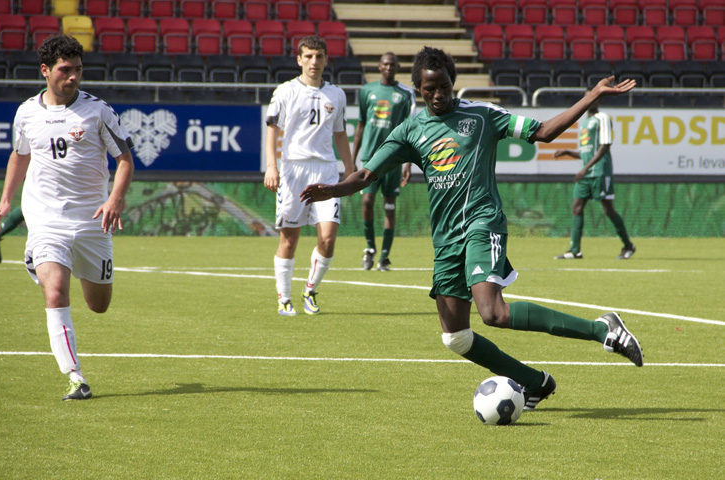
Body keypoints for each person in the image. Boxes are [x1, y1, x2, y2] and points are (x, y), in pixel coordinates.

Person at [300, 47, 644, 410]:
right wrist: (335, 189)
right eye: (429, 89)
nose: (438, 95)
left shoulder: (482, 116)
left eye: (444, 86)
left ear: (453, 83)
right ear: (418, 89)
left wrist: (592, 95)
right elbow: (367, 174)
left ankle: (602, 329)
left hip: (483, 222)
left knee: (493, 312)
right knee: (456, 338)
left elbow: (543, 132)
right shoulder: (410, 130)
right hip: (446, 239)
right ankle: (534, 382)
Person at [0, 35, 135, 401]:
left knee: (99, 305)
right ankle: (75, 377)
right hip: (46, 218)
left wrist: (115, 198)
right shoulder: (27, 112)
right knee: (55, 290)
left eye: (78, 70)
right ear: (45, 71)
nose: (73, 78)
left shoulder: (98, 111)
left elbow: (125, 160)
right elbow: (19, 155)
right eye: (65, 70)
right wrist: (6, 201)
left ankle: (54, 265)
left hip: (91, 220)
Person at [263, 35, 355, 316]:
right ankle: (284, 298)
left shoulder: (336, 94)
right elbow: (272, 130)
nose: (314, 62)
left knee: (328, 238)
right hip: (293, 170)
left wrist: (350, 169)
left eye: (319, 56)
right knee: (289, 238)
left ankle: (310, 290)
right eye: (309, 56)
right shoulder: (285, 91)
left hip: (325, 170)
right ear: (299, 59)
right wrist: (272, 166)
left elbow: (340, 134)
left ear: (326, 60)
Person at [352, 52, 417, 271]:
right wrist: (351, 160)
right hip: (370, 158)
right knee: (367, 202)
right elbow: (360, 125)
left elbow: (410, 130)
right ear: (379, 67)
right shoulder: (367, 91)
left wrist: (408, 163)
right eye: (385, 64)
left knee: (390, 206)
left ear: (398, 67)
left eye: (393, 64)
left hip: (394, 159)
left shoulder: (405, 94)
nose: (389, 67)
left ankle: (385, 257)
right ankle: (370, 248)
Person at [553, 103, 636, 260]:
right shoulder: (584, 123)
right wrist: (568, 152)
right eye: (587, 98)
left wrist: (585, 169)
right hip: (586, 173)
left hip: (599, 171)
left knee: (608, 209)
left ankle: (628, 245)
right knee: (577, 207)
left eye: (593, 97)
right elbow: (587, 152)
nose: (590, 101)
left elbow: (605, 145)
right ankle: (575, 250)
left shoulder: (602, 118)